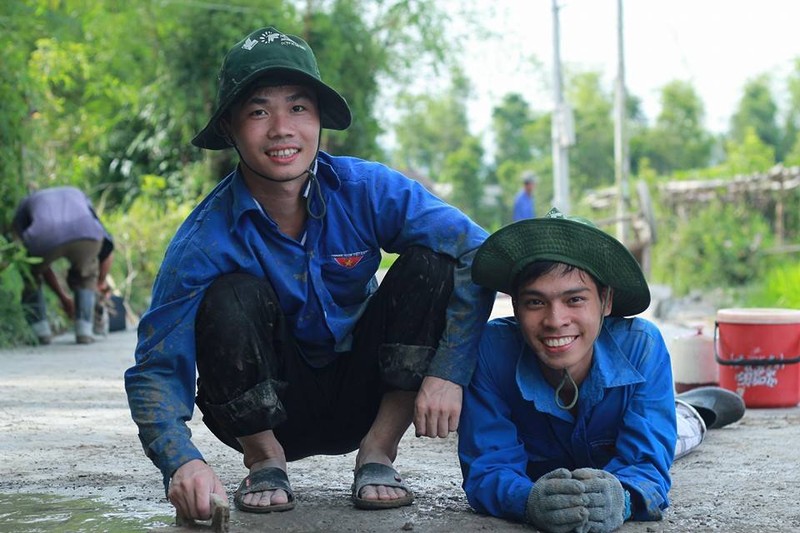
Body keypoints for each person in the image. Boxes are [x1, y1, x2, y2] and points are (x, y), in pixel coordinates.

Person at [123, 26, 494, 523]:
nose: (281, 128)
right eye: (259, 111)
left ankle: (379, 453)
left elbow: (480, 254)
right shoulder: (203, 239)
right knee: (229, 294)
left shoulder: (367, 189)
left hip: (367, 395)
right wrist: (180, 461)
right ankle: (265, 461)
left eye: (298, 108)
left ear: (319, 120)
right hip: (266, 410)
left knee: (433, 263)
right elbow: (155, 364)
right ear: (231, 128)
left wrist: (451, 370)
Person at [458, 208, 745, 533]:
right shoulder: (491, 351)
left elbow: (646, 465)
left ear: (606, 301)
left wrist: (623, 499)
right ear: (515, 307)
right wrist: (527, 500)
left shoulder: (641, 348)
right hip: (541, 466)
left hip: (615, 448)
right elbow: (488, 466)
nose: (555, 320)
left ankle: (692, 412)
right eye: (535, 302)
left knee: (674, 437)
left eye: (575, 300)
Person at [12, 186, 115, 345]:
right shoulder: (78, 193)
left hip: (44, 236)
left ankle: (40, 332)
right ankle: (84, 330)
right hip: (86, 232)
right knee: (86, 275)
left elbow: (29, 257)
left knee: (30, 273)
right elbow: (108, 249)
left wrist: (63, 297)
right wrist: (99, 282)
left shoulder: (27, 202)